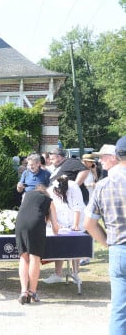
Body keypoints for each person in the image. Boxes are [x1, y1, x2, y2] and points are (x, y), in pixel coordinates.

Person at [84, 136, 126, 335]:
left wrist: (108, 243)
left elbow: (89, 224)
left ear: (117, 156)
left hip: (119, 249)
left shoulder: (103, 186)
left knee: (119, 310)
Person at [15, 186, 59, 304]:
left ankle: (23, 291)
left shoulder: (27, 196)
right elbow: (55, 226)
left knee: (24, 257)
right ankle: (32, 292)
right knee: (34, 258)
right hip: (35, 224)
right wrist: (56, 230)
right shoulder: (49, 201)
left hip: (20, 223)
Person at [42, 175, 86, 284]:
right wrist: (55, 223)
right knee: (59, 246)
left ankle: (75, 274)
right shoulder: (50, 191)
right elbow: (50, 210)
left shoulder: (74, 187)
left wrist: (75, 225)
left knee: (76, 247)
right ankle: (58, 274)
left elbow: (77, 207)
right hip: (60, 221)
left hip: (77, 220)